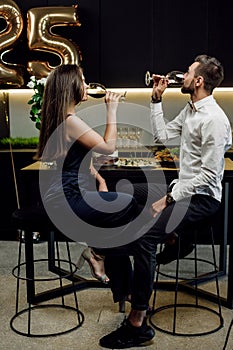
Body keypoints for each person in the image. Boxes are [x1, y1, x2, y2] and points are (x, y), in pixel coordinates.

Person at [98, 54, 232, 348]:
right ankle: (154, 251)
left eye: (187, 72)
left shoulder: (214, 120)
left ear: (198, 81)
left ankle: (137, 322)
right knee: (128, 195)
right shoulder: (191, 110)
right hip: (181, 188)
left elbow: (210, 177)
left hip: (201, 199)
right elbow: (161, 135)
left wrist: (168, 199)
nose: (180, 76)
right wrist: (156, 100)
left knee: (146, 238)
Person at [36, 64, 139, 284]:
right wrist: (111, 110)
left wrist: (100, 179)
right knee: (127, 203)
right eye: (82, 80)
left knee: (114, 220)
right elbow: (108, 146)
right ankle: (98, 253)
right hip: (68, 198)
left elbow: (76, 161)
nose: (86, 85)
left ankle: (123, 287)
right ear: (70, 85)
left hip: (66, 194)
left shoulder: (63, 118)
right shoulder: (70, 120)